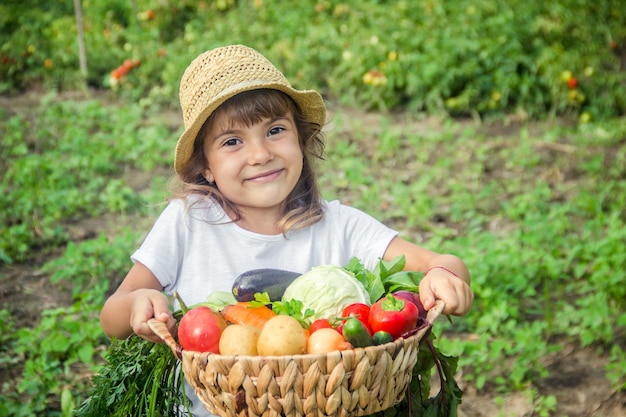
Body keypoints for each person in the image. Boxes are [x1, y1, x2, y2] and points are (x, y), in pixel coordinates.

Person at [100, 44, 474, 416]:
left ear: (300, 138)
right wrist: (137, 304)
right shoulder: (188, 222)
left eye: (275, 130)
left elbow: (438, 263)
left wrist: (444, 273)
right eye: (232, 141)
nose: (260, 153)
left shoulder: (340, 226)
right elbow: (112, 315)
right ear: (205, 166)